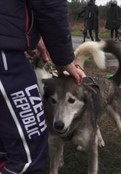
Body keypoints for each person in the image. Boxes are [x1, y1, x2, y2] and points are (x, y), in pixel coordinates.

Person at [0, 0, 84, 173]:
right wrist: (64, 57)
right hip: (6, 58)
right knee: (29, 155)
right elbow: (49, 3)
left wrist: (32, 37)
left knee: (5, 146)